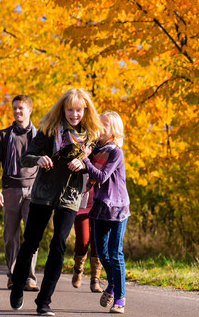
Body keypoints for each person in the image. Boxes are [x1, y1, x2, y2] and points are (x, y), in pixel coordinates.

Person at [9, 88, 103, 316]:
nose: (74, 114)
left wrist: (84, 165)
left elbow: (95, 164)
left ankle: (44, 302)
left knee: (58, 246)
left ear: (85, 110)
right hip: (43, 193)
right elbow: (26, 157)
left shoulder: (92, 135)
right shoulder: (50, 130)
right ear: (63, 109)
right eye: (70, 109)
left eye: (78, 110)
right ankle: (18, 283)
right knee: (30, 242)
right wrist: (39, 158)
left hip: (70, 197)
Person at [80, 111, 130, 314]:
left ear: (114, 130)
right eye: (98, 124)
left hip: (117, 207)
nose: (100, 128)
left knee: (115, 252)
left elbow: (101, 176)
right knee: (101, 251)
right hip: (100, 205)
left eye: (105, 125)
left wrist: (84, 159)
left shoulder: (116, 152)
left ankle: (120, 297)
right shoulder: (95, 149)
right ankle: (112, 283)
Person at [0, 94, 40, 292]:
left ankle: (29, 277)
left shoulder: (39, 136)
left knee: (32, 235)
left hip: (35, 191)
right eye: (15, 108)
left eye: (21, 108)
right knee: (10, 235)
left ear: (30, 110)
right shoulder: (3, 135)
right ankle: (12, 275)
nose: (17, 111)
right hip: (10, 189)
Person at [71, 187, 104, 293]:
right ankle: (78, 268)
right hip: (82, 206)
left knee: (97, 242)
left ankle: (95, 279)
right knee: (82, 240)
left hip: (99, 206)